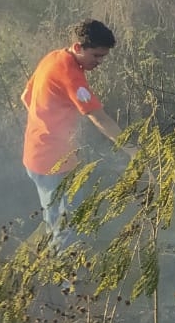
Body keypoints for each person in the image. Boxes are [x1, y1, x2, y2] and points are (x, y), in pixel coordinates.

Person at [22, 19, 133, 248]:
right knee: (67, 228)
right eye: (96, 56)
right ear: (78, 47)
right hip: (52, 163)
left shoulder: (52, 57)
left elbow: (25, 96)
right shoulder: (71, 75)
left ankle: (44, 259)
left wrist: (47, 124)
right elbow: (100, 118)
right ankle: (66, 281)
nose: (100, 62)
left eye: (103, 57)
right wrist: (134, 151)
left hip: (38, 154)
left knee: (55, 217)